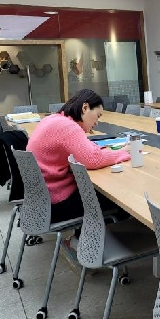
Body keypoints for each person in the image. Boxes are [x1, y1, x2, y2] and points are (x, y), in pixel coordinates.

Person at [26, 89, 130, 225]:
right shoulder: (68, 127)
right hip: (57, 203)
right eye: (97, 116)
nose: (97, 122)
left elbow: (86, 147)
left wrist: (100, 150)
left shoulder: (54, 119)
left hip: (41, 200)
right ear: (85, 108)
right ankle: (106, 235)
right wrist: (125, 152)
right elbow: (93, 160)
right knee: (120, 198)